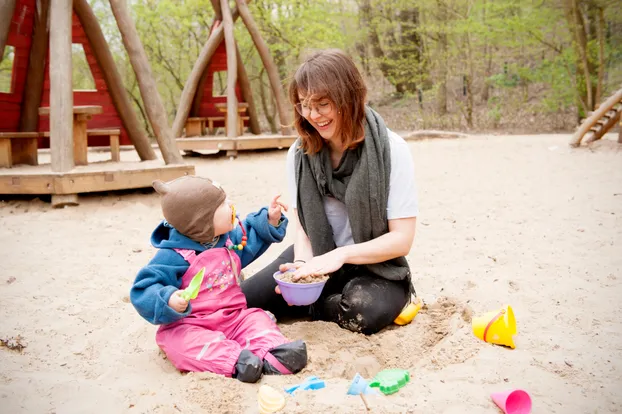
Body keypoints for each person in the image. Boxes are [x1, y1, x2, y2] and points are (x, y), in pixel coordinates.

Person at [241, 49, 419, 335]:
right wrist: (301, 267)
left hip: (375, 266)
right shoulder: (299, 153)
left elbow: (402, 240)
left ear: (348, 97)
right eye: (304, 106)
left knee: (360, 312)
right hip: (316, 256)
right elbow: (302, 227)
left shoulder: (392, 149)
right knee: (243, 300)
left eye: (322, 104)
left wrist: (340, 256)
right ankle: (309, 299)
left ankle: (308, 305)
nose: (313, 116)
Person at [130, 176, 307, 383]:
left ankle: (274, 353)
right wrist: (168, 298)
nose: (231, 206)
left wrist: (269, 220)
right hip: (191, 325)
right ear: (201, 222)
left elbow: (249, 235)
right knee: (180, 344)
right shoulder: (173, 255)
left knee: (256, 320)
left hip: (233, 318)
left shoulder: (228, 240)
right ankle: (236, 362)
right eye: (223, 205)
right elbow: (144, 288)